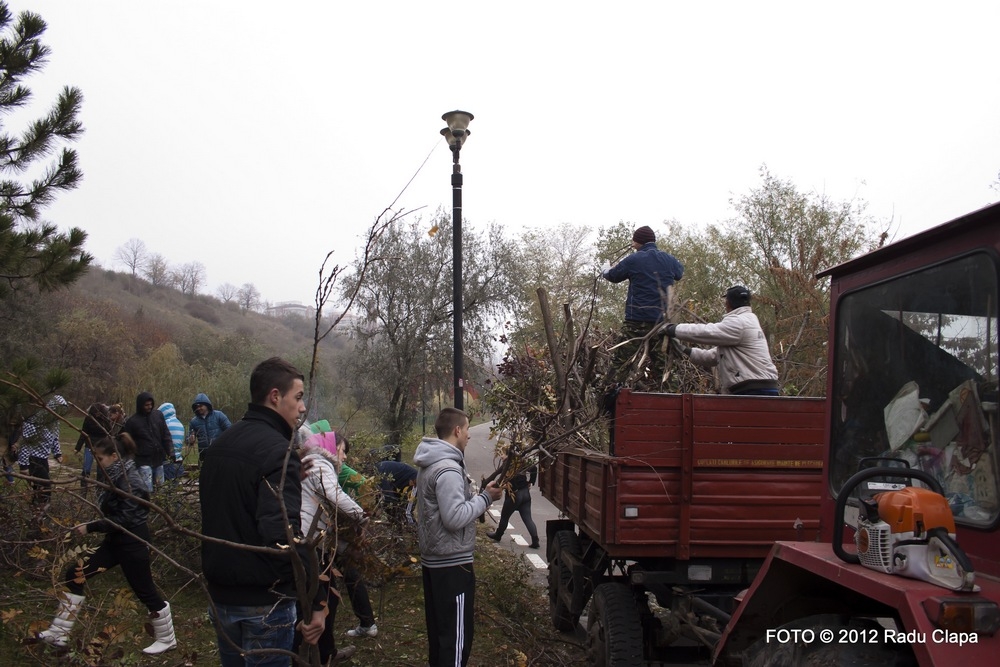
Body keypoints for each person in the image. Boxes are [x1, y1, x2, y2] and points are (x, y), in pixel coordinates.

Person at [199, 357, 326, 666]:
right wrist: (317, 597)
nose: (302, 407)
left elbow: (230, 512)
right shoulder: (277, 452)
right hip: (264, 602)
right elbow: (281, 539)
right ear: (274, 396)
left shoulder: (219, 446)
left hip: (221, 597)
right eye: (297, 397)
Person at [37, 432, 177, 654]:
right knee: (76, 574)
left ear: (113, 456)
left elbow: (126, 520)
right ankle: (59, 634)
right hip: (115, 543)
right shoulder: (115, 476)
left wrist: (91, 526)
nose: (97, 463)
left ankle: (167, 639)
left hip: (133, 543)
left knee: (145, 591)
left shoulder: (130, 481)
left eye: (100, 459)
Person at [413, 407, 502, 667]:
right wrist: (485, 499)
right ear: (457, 430)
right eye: (467, 431)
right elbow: (453, 518)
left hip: (434, 561)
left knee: (440, 634)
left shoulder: (430, 462)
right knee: (456, 639)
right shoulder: (448, 469)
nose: (469, 437)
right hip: (452, 565)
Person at [295, 430, 366, 663]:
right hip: (309, 544)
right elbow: (334, 495)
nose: (344, 458)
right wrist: (361, 515)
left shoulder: (312, 462)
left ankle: (323, 651)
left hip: (311, 541)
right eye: (343, 451)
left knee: (323, 596)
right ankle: (316, 654)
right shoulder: (319, 462)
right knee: (323, 598)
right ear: (331, 447)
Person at [665, 284, 780, 395]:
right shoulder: (749, 321)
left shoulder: (738, 322)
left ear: (728, 303)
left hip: (752, 389)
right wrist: (685, 350)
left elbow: (706, 332)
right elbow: (714, 356)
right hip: (762, 386)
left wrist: (673, 329)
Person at [602, 225, 684, 381]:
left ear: (638, 242)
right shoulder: (669, 259)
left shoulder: (634, 259)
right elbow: (679, 273)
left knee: (620, 364)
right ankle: (668, 399)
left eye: (634, 241)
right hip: (662, 323)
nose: (632, 244)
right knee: (665, 368)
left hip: (636, 321)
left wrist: (605, 269)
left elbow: (613, 276)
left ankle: (608, 398)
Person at [16, 395, 68, 507]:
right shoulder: (35, 420)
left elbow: (55, 439)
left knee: (39, 488)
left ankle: (36, 511)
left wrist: (57, 453)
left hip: (43, 458)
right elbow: (25, 443)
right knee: (45, 487)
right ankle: (41, 511)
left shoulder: (55, 422)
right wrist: (23, 466)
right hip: (33, 458)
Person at [122, 392, 172, 492]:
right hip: (143, 461)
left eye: (150, 404)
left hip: (158, 459)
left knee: (160, 488)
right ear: (140, 405)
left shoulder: (158, 416)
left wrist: (171, 452)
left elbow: (165, 435)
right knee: (147, 489)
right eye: (146, 405)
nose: (149, 407)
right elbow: (127, 442)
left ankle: (159, 505)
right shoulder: (132, 422)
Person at [486, 461, 539, 548]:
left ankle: (498, 535)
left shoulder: (508, 464)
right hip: (525, 493)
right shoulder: (522, 461)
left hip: (515, 495)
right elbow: (534, 468)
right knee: (527, 518)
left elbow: (499, 478)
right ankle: (535, 540)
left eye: (503, 454)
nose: (502, 456)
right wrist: (531, 482)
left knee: (504, 517)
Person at [75, 403, 112, 492]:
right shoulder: (88, 419)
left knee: (101, 470)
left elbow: (109, 432)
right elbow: (83, 433)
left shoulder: (105, 420)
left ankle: (99, 490)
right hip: (90, 446)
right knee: (86, 469)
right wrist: (78, 447)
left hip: (102, 447)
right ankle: (83, 490)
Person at [187, 393, 232, 464]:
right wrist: (190, 440)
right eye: (197, 407)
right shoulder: (194, 422)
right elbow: (188, 439)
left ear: (207, 405)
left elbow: (230, 431)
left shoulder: (219, 416)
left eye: (200, 406)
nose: (198, 408)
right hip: (204, 455)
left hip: (220, 453)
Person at [376, 459, 418, 526]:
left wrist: (380, 509)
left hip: (413, 482)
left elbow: (388, 498)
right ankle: (398, 531)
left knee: (406, 512)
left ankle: (414, 532)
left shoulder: (379, 475)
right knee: (397, 512)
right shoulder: (376, 473)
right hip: (399, 485)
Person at [157, 403, 186, 481]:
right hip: (179, 461)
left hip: (168, 461)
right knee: (174, 488)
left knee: (166, 488)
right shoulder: (180, 424)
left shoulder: (166, 424)